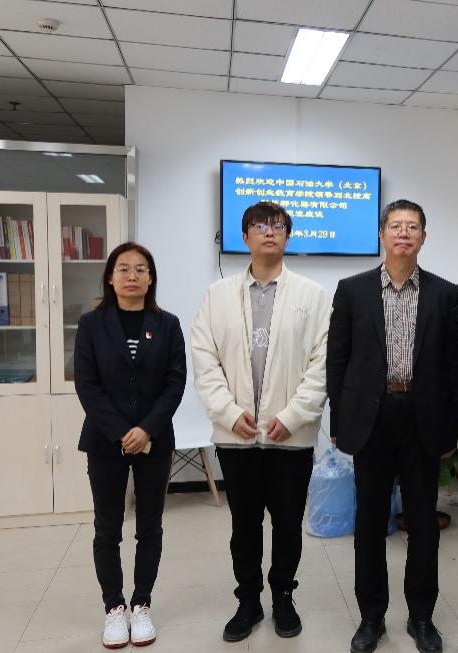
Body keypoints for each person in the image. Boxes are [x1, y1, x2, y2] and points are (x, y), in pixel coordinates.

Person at [328, 199, 458, 653]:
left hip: (422, 417)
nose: (404, 233)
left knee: (423, 522)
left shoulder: (445, 293)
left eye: (412, 227)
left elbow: (455, 366)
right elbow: (337, 360)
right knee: (369, 522)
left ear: (423, 237)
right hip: (371, 417)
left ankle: (421, 617)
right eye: (396, 226)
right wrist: (338, 421)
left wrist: (450, 429)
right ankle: (371, 617)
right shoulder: (352, 290)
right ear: (381, 235)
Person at [191, 201, 330, 643]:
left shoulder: (312, 294)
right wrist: (230, 414)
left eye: (277, 226)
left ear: (287, 236)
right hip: (236, 437)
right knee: (244, 526)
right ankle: (248, 600)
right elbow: (204, 361)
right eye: (259, 225)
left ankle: (283, 597)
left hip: (291, 437)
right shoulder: (217, 295)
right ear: (245, 236)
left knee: (288, 525)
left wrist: (292, 416)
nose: (269, 231)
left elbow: (323, 363)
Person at [74, 242, 187, 649]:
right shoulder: (92, 324)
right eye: (123, 268)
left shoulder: (168, 324)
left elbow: (176, 382)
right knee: (107, 528)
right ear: (110, 277)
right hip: (106, 441)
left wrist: (148, 429)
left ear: (151, 278)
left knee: (149, 526)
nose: (132, 275)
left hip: (154, 442)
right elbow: (87, 384)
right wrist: (124, 431)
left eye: (141, 269)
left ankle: (141, 604)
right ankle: (113, 608)